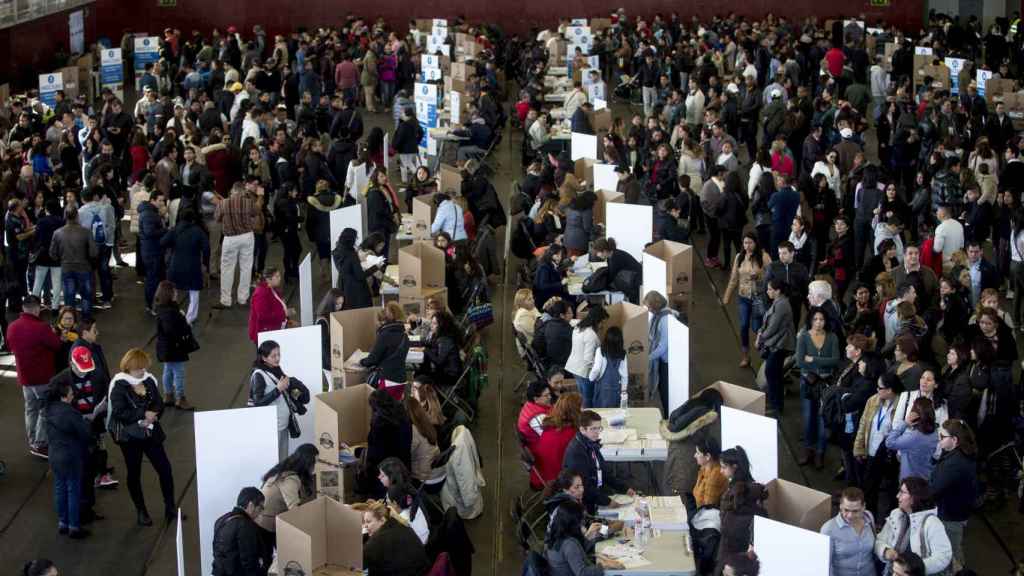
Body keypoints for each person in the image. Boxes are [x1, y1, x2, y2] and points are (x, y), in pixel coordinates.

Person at [108, 348, 175, 526]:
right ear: (129, 367)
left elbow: (159, 403)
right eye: (140, 368)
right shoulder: (119, 385)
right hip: (130, 440)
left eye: (145, 368)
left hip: (151, 433)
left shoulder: (148, 380)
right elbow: (119, 412)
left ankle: (170, 507)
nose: (144, 371)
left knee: (165, 470)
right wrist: (143, 415)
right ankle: (141, 511)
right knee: (134, 474)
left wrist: (153, 415)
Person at [7, 295, 61, 458]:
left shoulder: (12, 327)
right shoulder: (42, 328)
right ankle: (40, 444)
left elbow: (10, 347)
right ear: (37, 308)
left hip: (25, 377)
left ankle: (32, 440)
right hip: (42, 378)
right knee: (45, 410)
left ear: (23, 308)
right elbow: (57, 345)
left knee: (30, 409)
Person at [874, 477, 953, 575]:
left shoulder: (932, 523)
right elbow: (879, 540)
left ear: (914, 497)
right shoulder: (896, 514)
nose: (897, 496)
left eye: (902, 492)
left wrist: (913, 569)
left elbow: (943, 556)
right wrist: (885, 551)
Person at [45, 376, 92, 539]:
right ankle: (74, 526)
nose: (73, 394)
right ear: (64, 395)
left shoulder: (49, 409)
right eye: (71, 392)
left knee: (60, 487)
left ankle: (63, 522)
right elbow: (85, 434)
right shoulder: (70, 413)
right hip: (70, 456)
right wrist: (86, 423)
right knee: (73, 490)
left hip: (54, 454)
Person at [562, 410, 635, 514]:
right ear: (582, 430)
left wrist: (624, 488)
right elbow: (585, 486)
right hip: (583, 501)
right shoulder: (577, 453)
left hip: (596, 490)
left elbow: (604, 472)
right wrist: (607, 502)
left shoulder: (590, 443)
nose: (597, 432)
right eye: (593, 429)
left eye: (599, 428)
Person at [930, 419, 978, 571]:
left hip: (950, 515)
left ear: (955, 440)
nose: (939, 439)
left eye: (942, 437)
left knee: (952, 553)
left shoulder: (954, 464)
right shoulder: (962, 454)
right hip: (957, 512)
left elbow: (935, 489)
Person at [795, 307, 840, 468]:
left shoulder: (832, 337)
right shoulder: (803, 337)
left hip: (826, 385)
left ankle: (820, 452)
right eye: (815, 319)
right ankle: (808, 449)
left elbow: (835, 360)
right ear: (810, 320)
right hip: (808, 383)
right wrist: (822, 362)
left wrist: (812, 359)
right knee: (808, 419)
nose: (819, 322)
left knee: (823, 421)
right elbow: (800, 361)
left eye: (822, 319)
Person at [722, 232, 771, 367]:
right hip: (743, 297)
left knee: (757, 328)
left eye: (750, 243)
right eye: (745, 243)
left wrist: (760, 275)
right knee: (743, 326)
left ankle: (766, 353)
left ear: (755, 243)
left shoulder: (764, 257)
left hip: (758, 297)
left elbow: (772, 276)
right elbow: (733, 278)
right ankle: (745, 356)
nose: (747, 246)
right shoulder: (739, 257)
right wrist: (727, 296)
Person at [718, 447, 767, 571]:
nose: (720, 471)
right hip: (736, 542)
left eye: (724, 467)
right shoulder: (750, 488)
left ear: (734, 466)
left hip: (735, 544)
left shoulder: (741, 493)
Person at [249, 341, 299, 461]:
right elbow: (258, 403)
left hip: (282, 424)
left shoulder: (276, 369)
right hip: (272, 427)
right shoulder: (258, 375)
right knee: (274, 460)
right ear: (264, 358)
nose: (277, 358)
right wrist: (278, 390)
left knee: (282, 458)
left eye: (278, 354)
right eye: (273, 356)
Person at [545, 499, 624, 575]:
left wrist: (588, 537)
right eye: (581, 521)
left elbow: (578, 550)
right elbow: (582, 573)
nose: (582, 524)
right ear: (573, 524)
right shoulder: (569, 544)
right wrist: (604, 565)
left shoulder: (557, 534)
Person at [254, 444, 317, 538]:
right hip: (267, 525)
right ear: (307, 463)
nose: (314, 467)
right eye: (314, 463)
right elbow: (294, 509)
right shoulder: (290, 479)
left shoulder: (285, 469)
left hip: (265, 519)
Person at [353, 499, 430, 576]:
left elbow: (354, 564)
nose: (365, 526)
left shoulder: (379, 539)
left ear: (382, 520)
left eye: (368, 521)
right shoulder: (398, 524)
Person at [359, 389, 412, 498]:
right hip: (403, 468)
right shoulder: (404, 416)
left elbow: (375, 455)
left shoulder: (379, 424)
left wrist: (361, 453)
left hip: (385, 473)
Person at [154, 281, 198, 411]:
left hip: (166, 348)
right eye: (175, 292)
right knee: (179, 373)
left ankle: (168, 395)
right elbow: (173, 330)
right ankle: (181, 398)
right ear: (169, 294)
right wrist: (184, 324)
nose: (177, 293)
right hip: (174, 348)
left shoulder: (161, 308)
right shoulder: (171, 312)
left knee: (168, 370)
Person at [161, 208, 210, 325]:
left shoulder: (175, 230)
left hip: (175, 266)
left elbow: (162, 242)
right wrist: (206, 264)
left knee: (173, 292)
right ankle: (190, 318)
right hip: (193, 267)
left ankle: (172, 316)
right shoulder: (198, 231)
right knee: (194, 293)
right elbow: (206, 249)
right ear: (193, 219)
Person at [214, 182, 258, 309]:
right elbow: (256, 213)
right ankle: (242, 299)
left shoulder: (223, 203)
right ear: (243, 191)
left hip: (230, 238)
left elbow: (217, 218)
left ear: (232, 191)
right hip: (247, 236)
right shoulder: (248, 202)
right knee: (246, 267)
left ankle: (226, 300)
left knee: (227, 268)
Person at [50, 204, 98, 316]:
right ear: (77, 216)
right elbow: (94, 252)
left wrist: (61, 258)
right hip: (84, 267)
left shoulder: (57, 233)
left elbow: (52, 253)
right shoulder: (86, 232)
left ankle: (69, 323)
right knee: (86, 296)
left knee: (69, 298)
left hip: (66, 267)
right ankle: (86, 320)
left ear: (65, 216)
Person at [756, 278, 796, 414]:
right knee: (774, 374)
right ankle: (775, 403)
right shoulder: (779, 302)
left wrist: (761, 338)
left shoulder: (781, 304)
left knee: (773, 374)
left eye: (770, 289)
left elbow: (773, 327)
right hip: (777, 344)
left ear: (778, 291)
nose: (768, 292)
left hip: (780, 345)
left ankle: (776, 406)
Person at [211, 487, 271, 576]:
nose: (260, 512)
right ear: (251, 505)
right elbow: (249, 564)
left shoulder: (220, 520)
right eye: (261, 507)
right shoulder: (247, 526)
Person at [820, 487, 877, 576]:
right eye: (846, 510)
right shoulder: (828, 529)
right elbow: (825, 565)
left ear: (863, 507)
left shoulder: (869, 517)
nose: (850, 516)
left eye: (855, 511)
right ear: (840, 506)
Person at [532, 392, 582, 490]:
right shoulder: (571, 434)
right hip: (555, 479)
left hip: (542, 473)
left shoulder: (552, 423)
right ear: (575, 411)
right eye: (580, 407)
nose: (583, 409)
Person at [359, 302, 410, 397]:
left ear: (383, 321)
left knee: (382, 410)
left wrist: (361, 362)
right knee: (395, 409)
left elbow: (373, 359)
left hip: (387, 380)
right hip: (401, 380)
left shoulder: (384, 335)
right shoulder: (405, 336)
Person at [886, 397, 939, 481]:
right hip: (926, 475)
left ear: (915, 414)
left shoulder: (914, 436)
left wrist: (905, 423)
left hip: (910, 480)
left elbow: (889, 442)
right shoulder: (934, 432)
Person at [565, 305, 608, 407]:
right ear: (597, 321)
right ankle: (587, 417)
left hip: (574, 367)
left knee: (582, 396)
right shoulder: (591, 336)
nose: (603, 325)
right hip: (584, 371)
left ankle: (583, 415)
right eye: (602, 322)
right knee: (588, 398)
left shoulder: (578, 327)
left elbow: (572, 321)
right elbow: (588, 360)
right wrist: (598, 372)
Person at [644, 290, 673, 417]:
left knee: (665, 390)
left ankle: (668, 416)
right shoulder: (658, 316)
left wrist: (647, 357)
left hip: (666, 361)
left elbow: (663, 346)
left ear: (656, 305)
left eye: (649, 306)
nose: (648, 309)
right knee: (661, 388)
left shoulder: (665, 319)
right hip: (660, 359)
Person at [419, 309, 464, 386]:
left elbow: (439, 362)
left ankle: (427, 395)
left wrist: (425, 350)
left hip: (450, 377)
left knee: (420, 377)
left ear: (442, 325)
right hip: (446, 372)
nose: (431, 326)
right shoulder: (444, 335)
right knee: (421, 371)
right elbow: (431, 344)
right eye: (432, 323)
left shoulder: (445, 340)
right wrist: (416, 342)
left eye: (434, 323)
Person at [332, 228, 373, 308]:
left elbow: (345, 267)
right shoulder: (351, 254)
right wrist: (374, 268)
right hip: (357, 289)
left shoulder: (336, 251)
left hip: (344, 286)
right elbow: (360, 276)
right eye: (356, 238)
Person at [248, 268, 292, 343]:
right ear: (268, 279)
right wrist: (284, 314)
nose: (280, 279)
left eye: (279, 276)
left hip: (271, 331)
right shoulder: (261, 294)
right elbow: (263, 316)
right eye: (277, 277)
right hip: (265, 334)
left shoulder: (270, 289)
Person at [590, 326, 628, 409]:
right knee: (614, 410)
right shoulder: (622, 353)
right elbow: (624, 375)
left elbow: (596, 369)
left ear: (606, 339)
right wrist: (624, 390)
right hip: (616, 389)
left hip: (602, 388)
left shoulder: (601, 351)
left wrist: (591, 378)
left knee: (601, 411)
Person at [692, 436, 727, 509]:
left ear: (708, 456)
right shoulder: (703, 469)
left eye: (698, 453)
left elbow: (707, 507)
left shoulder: (716, 475)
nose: (695, 456)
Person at [518, 380, 554, 446]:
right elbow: (550, 437)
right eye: (546, 395)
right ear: (536, 399)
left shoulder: (530, 403)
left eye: (549, 394)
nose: (550, 397)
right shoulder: (538, 417)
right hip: (538, 445)